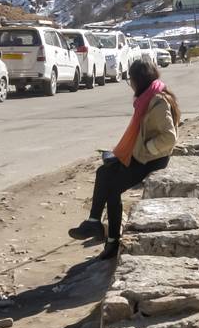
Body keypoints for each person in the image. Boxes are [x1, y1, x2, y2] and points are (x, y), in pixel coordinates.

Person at [68, 60, 181, 258]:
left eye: (132, 80)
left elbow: (169, 137)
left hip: (152, 159)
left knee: (112, 188)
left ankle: (112, 242)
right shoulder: (149, 97)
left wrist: (146, 149)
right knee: (103, 172)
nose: (131, 85)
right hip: (141, 156)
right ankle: (94, 223)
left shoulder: (158, 100)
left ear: (139, 80)